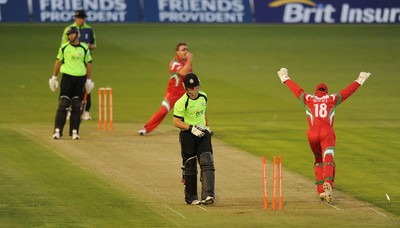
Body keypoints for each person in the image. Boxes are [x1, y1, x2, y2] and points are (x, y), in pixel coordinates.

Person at [277, 68, 371, 203]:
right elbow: (347, 92)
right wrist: (360, 79)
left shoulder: (309, 99)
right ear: (325, 92)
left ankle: (321, 191)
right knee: (328, 159)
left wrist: (285, 78)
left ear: (316, 91)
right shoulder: (331, 99)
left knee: (318, 160)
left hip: (312, 133)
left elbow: (297, 90)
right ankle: (328, 182)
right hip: (326, 132)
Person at [173, 73, 215, 205]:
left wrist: (206, 127)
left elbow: (203, 111)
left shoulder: (204, 96)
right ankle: (191, 197)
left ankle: (208, 195)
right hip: (188, 135)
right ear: (186, 88)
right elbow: (176, 121)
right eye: (191, 87)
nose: (194, 89)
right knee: (190, 165)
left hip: (202, 134)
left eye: (196, 86)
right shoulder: (181, 102)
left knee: (207, 161)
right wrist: (191, 128)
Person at [49, 26, 94, 140]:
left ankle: (74, 131)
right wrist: (54, 77)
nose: (70, 36)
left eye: (71, 34)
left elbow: (88, 64)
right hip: (67, 78)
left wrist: (88, 80)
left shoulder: (84, 48)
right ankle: (57, 131)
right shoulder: (64, 47)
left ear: (76, 34)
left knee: (77, 105)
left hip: (80, 79)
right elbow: (58, 62)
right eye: (68, 35)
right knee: (63, 104)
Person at [138, 43, 193, 136]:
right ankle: (146, 128)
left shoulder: (186, 62)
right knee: (163, 110)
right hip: (173, 93)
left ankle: (205, 128)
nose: (186, 51)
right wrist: (190, 59)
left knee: (198, 105)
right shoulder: (175, 63)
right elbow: (184, 72)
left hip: (185, 92)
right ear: (177, 52)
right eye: (183, 49)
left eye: (186, 49)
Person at [62, 9, 97, 120]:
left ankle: (86, 111)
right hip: (71, 63)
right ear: (75, 18)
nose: (80, 20)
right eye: (79, 18)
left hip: (84, 63)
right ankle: (69, 110)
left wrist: (88, 46)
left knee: (86, 86)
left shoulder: (89, 29)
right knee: (70, 88)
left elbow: (94, 45)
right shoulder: (68, 29)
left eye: (82, 18)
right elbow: (63, 45)